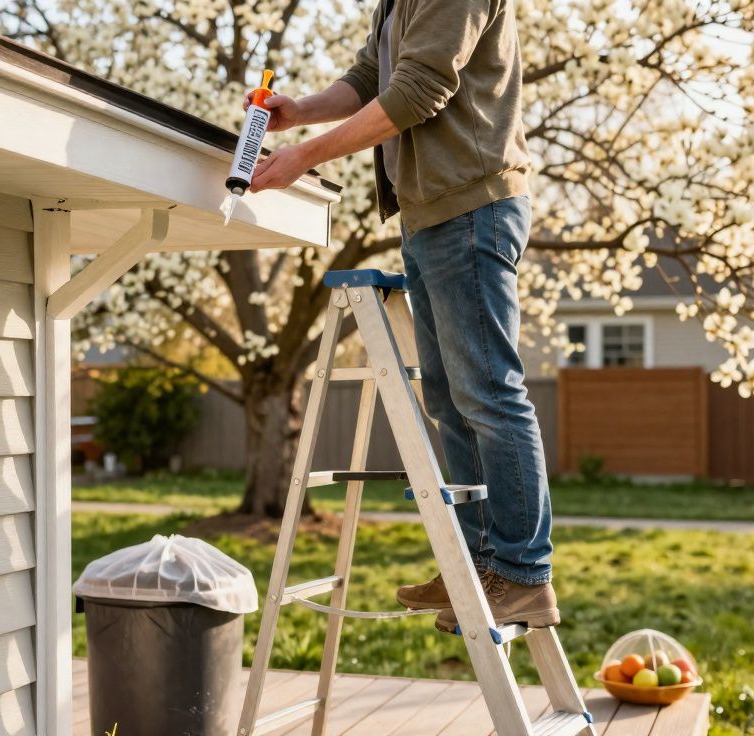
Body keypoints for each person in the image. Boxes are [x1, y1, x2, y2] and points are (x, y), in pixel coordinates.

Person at [248, 0, 557, 631]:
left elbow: (418, 91)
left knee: (489, 394)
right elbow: (374, 76)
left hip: (470, 208)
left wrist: (305, 155)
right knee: (449, 399)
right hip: (429, 214)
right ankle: (479, 565)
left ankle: (524, 575)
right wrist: (300, 110)